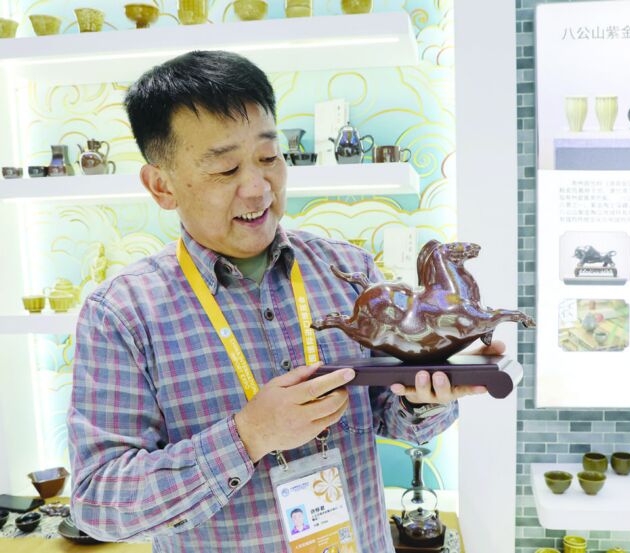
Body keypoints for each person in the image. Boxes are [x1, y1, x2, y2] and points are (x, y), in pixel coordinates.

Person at [67, 50, 500, 552]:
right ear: (161, 186)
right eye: (226, 169)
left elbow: (393, 417)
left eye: (270, 157)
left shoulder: (349, 270)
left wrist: (424, 399)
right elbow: (98, 502)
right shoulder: (121, 314)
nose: (258, 189)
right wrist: (248, 436)